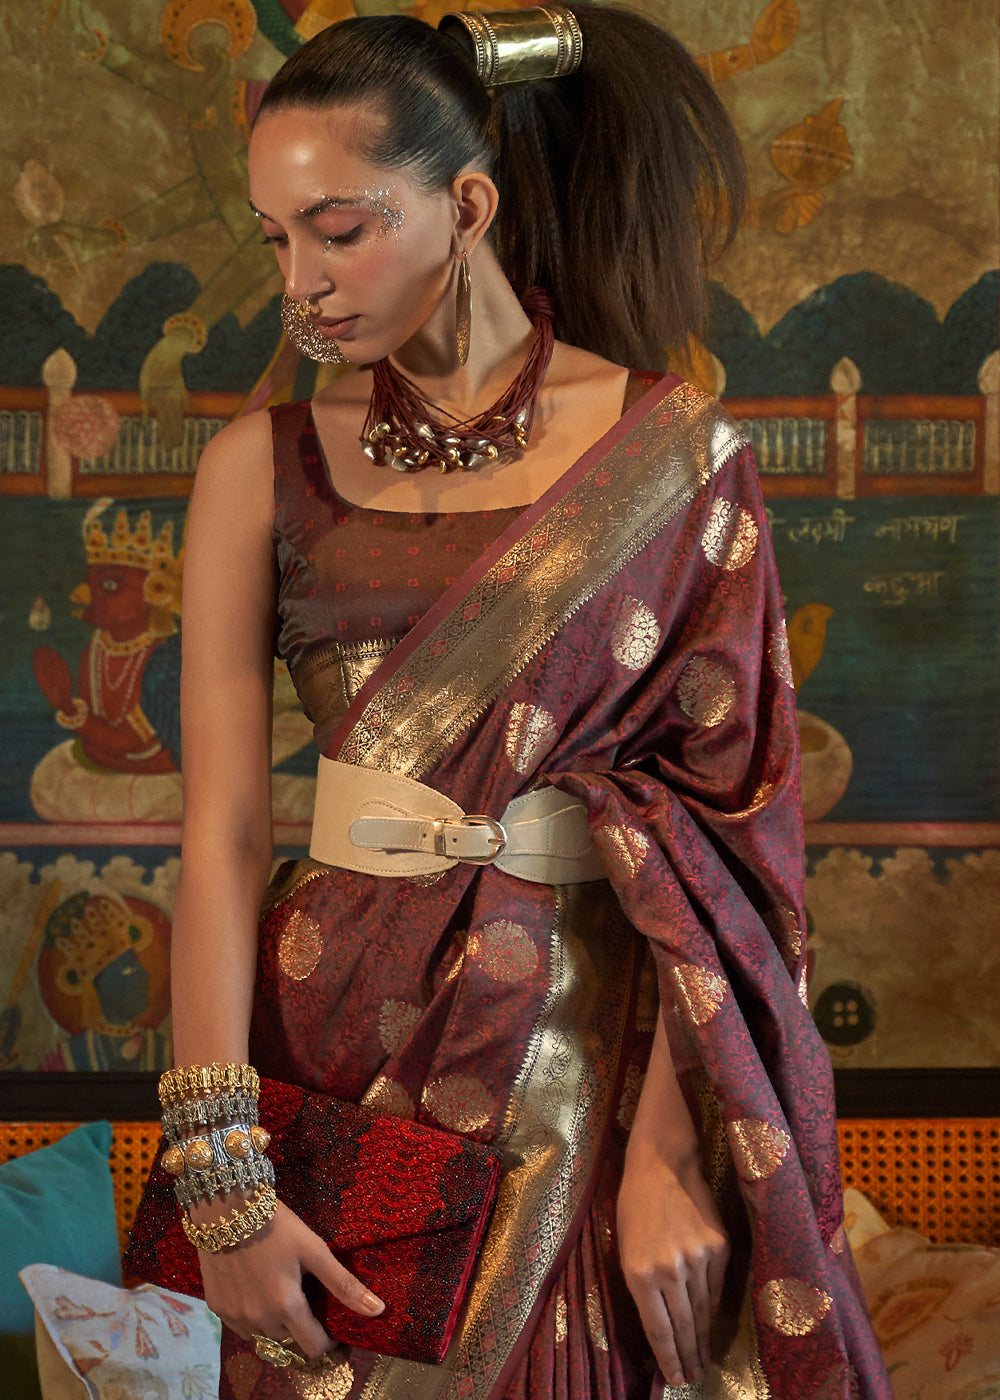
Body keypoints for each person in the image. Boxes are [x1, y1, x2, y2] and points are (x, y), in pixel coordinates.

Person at [161, 6, 893, 1397]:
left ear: (467, 206)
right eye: (274, 240)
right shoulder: (257, 469)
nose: (301, 283)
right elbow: (223, 838)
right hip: (331, 1060)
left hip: (590, 1064)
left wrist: (672, 1162)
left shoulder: (676, 456)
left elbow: (731, 838)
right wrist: (224, 1183)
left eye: (338, 229)